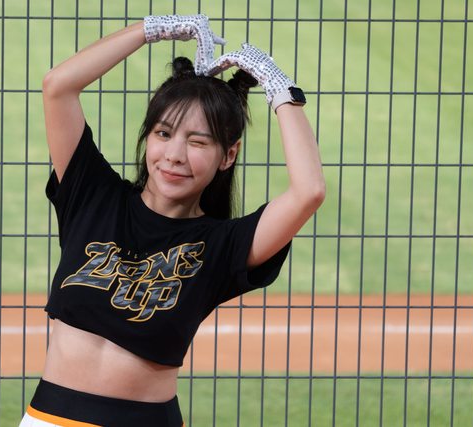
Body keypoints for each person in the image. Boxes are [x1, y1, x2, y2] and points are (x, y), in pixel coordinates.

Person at [20, 14, 325, 427]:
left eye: (197, 142)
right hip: (49, 418)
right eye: (163, 134)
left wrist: (279, 88)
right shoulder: (92, 195)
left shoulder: (223, 244)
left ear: (228, 155)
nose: (174, 155)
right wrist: (152, 29)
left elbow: (309, 191)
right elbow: (58, 86)